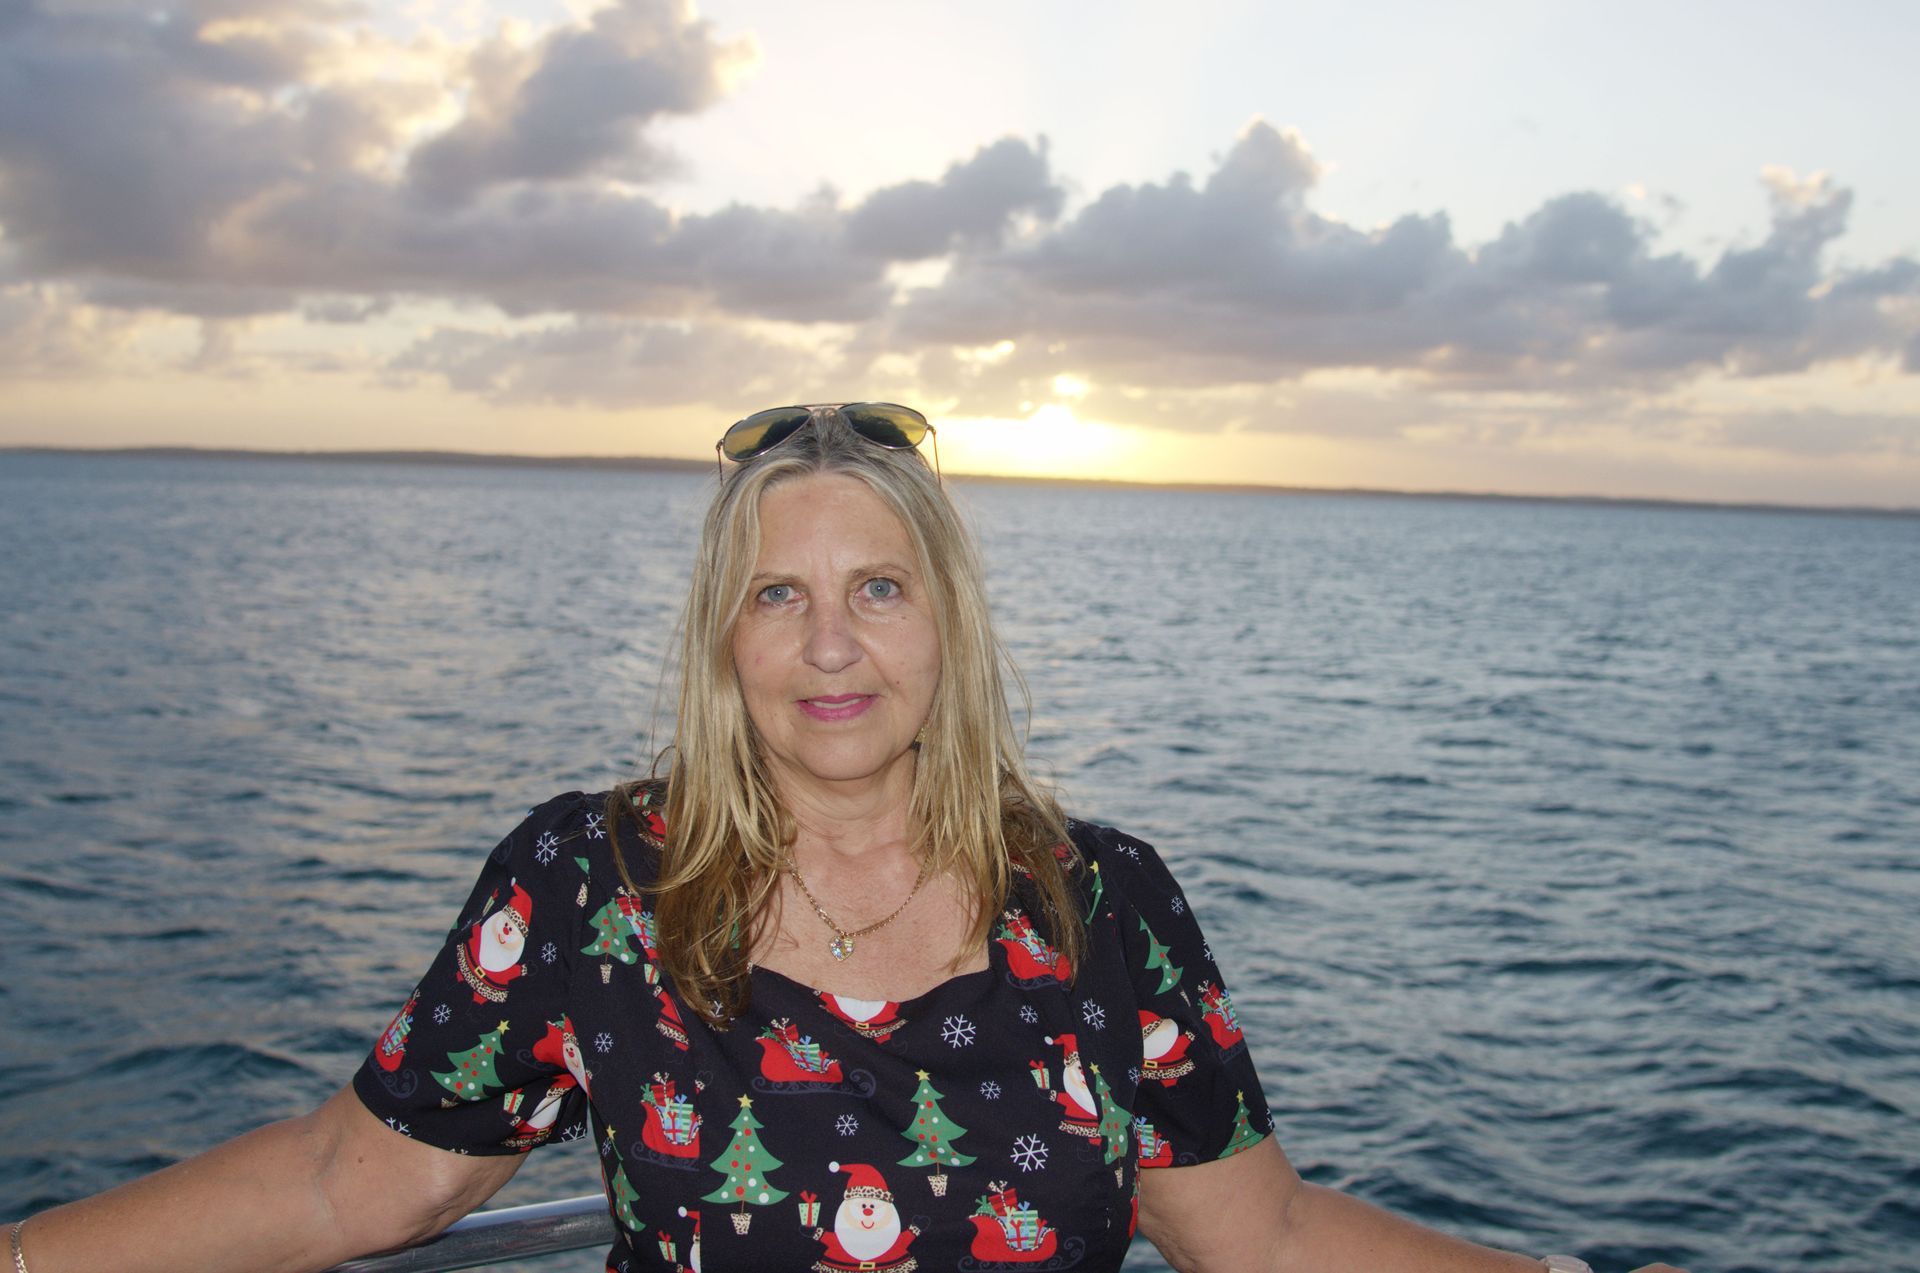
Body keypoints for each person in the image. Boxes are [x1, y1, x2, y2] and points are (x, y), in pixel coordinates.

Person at [5, 404, 1684, 1273]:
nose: (830, 647)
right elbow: (346, 1179)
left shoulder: (1101, 903)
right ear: (721, 639)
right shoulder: (594, 886)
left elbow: (1269, 1236)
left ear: (947, 621)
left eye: (878, 588)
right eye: (778, 596)